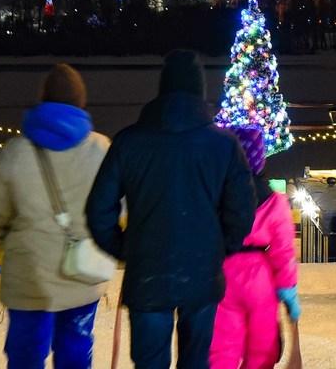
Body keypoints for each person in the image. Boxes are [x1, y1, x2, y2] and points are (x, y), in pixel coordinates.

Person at [86, 49, 255, 369]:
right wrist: (220, 247)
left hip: (147, 273)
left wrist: (125, 248)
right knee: (196, 361)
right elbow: (242, 210)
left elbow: (99, 211)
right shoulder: (224, 145)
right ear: (200, 92)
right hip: (203, 275)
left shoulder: (128, 142)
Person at [0, 63, 110, 369]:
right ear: (81, 101)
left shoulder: (17, 152)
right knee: (75, 351)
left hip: (29, 278)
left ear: (42, 99)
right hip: (82, 274)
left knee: (26, 355)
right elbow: (116, 209)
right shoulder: (101, 149)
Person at [209, 126, 298, 369]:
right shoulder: (274, 200)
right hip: (261, 278)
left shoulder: (215, 194)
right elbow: (283, 251)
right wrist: (288, 288)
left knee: (221, 349)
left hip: (221, 272)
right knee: (262, 350)